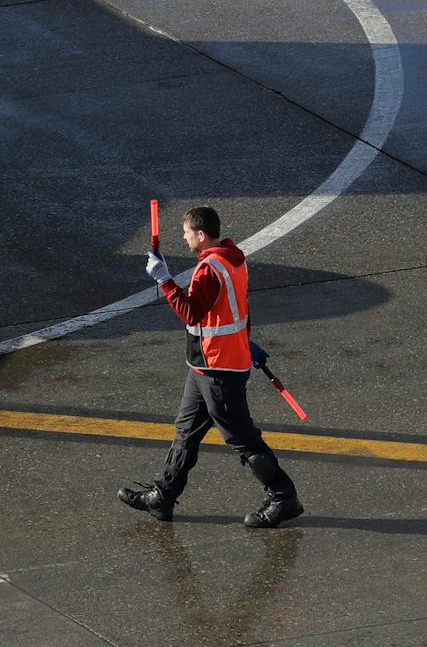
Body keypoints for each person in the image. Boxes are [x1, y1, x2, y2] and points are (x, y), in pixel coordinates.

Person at [118, 206, 304, 528]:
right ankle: (164, 495)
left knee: (243, 438)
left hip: (218, 369)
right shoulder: (233, 259)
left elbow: (191, 312)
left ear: (201, 236)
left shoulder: (208, 271)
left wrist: (164, 279)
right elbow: (237, 308)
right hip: (206, 365)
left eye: (187, 233)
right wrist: (247, 343)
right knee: (186, 432)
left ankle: (283, 497)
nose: (184, 237)